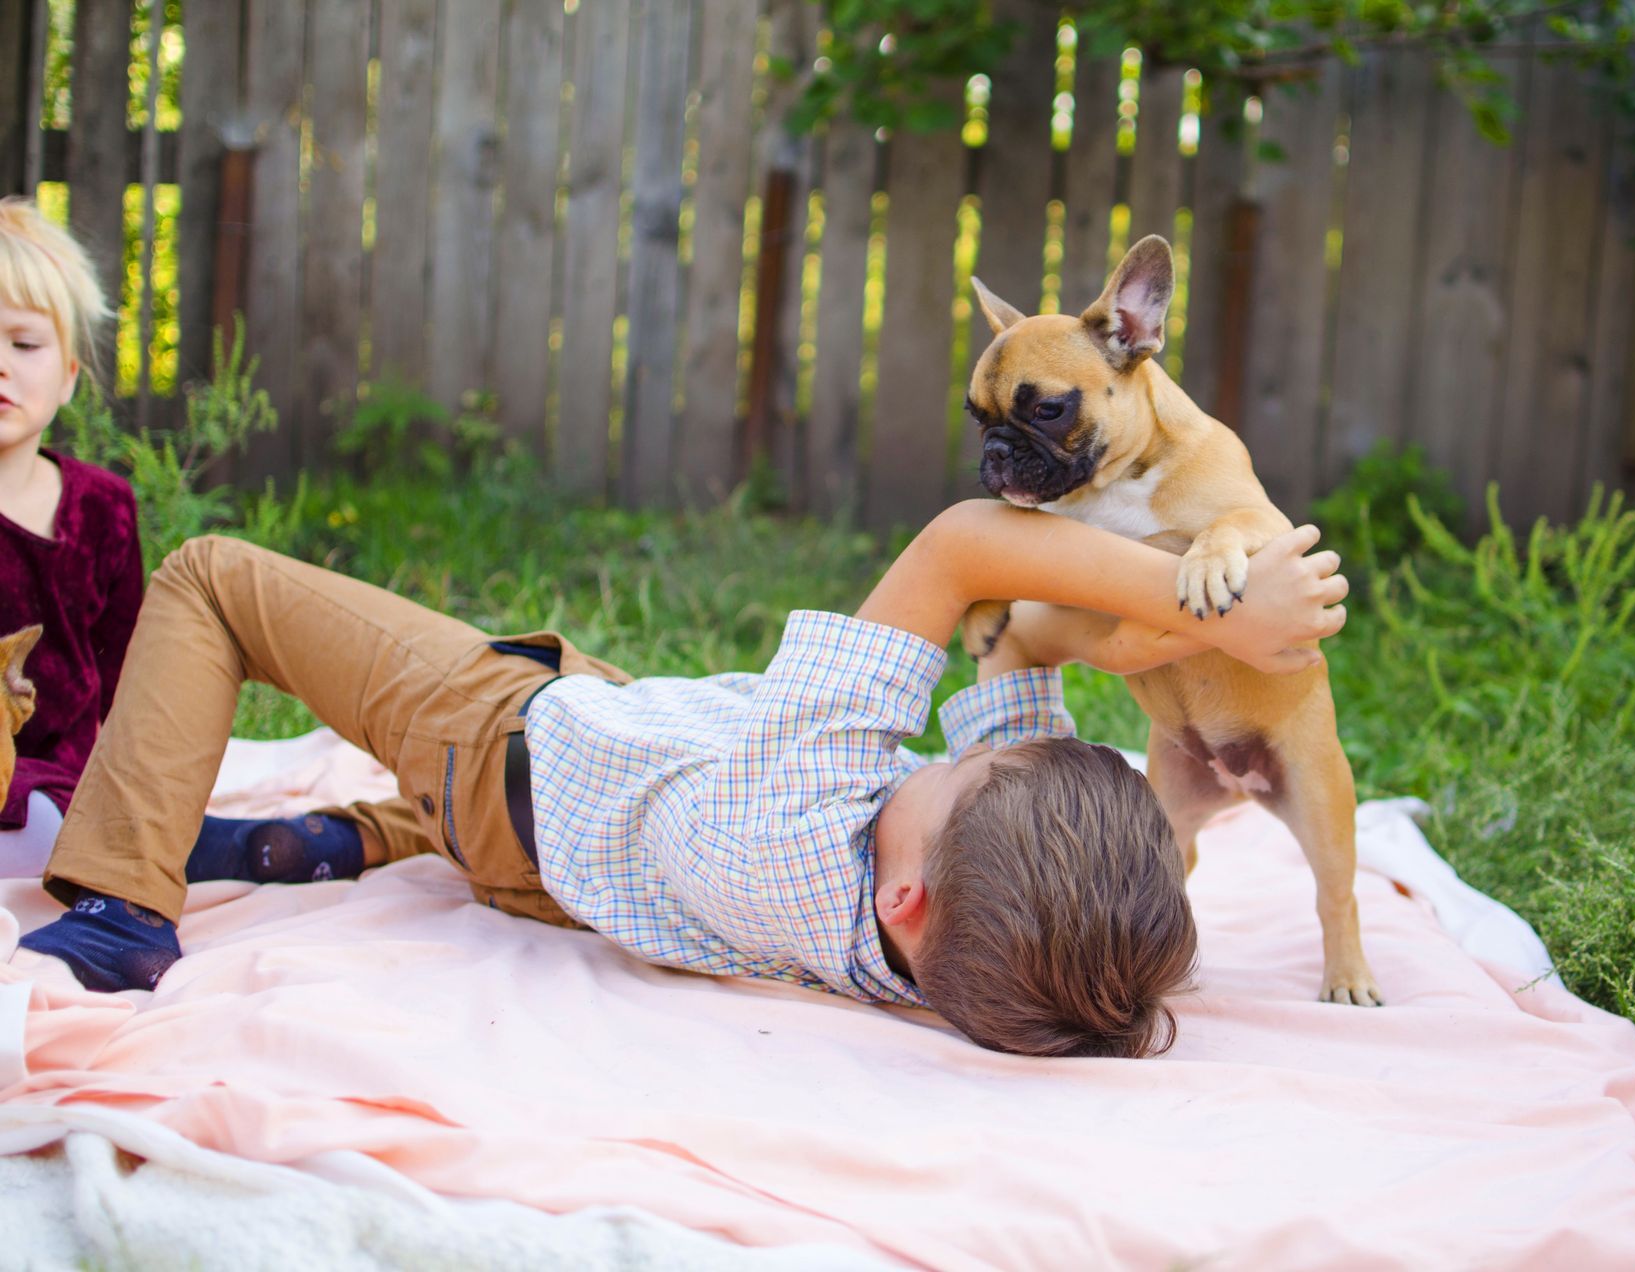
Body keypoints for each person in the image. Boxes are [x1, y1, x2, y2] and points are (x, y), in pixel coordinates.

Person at [17, 498, 1347, 1058]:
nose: (979, 740)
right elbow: (1017, 662)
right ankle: (358, 837)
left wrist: (1207, 604)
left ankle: (128, 903)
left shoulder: (809, 807)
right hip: (581, 861)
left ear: (907, 901)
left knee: (216, 579)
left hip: (508, 746)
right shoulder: (950, 937)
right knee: (614, 723)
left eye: (980, 766)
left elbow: (960, 551)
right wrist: (1129, 660)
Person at [0, 197, 139, 880]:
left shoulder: (105, 509)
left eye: (23, 345)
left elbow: (123, 678)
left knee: (54, 836)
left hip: (64, 777)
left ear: (68, 377)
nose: (1, 365)